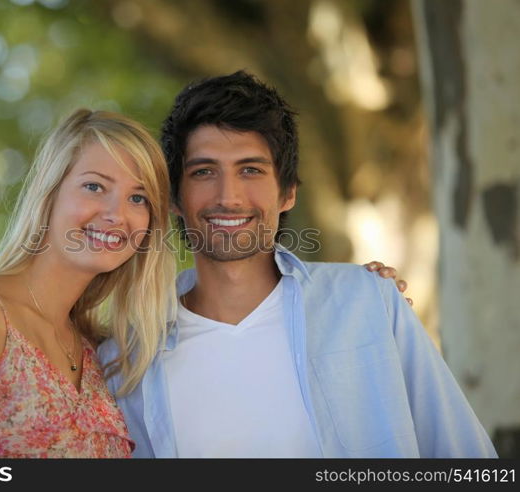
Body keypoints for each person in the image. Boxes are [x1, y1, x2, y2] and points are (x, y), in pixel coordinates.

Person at [98, 71, 497, 458]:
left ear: (288, 193)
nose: (229, 196)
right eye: (204, 172)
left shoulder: (369, 303)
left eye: (251, 170)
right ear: (174, 199)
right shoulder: (128, 357)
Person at [0, 109, 177, 457]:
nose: (116, 214)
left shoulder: (104, 352)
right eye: (94, 186)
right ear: (50, 192)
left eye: (137, 198)